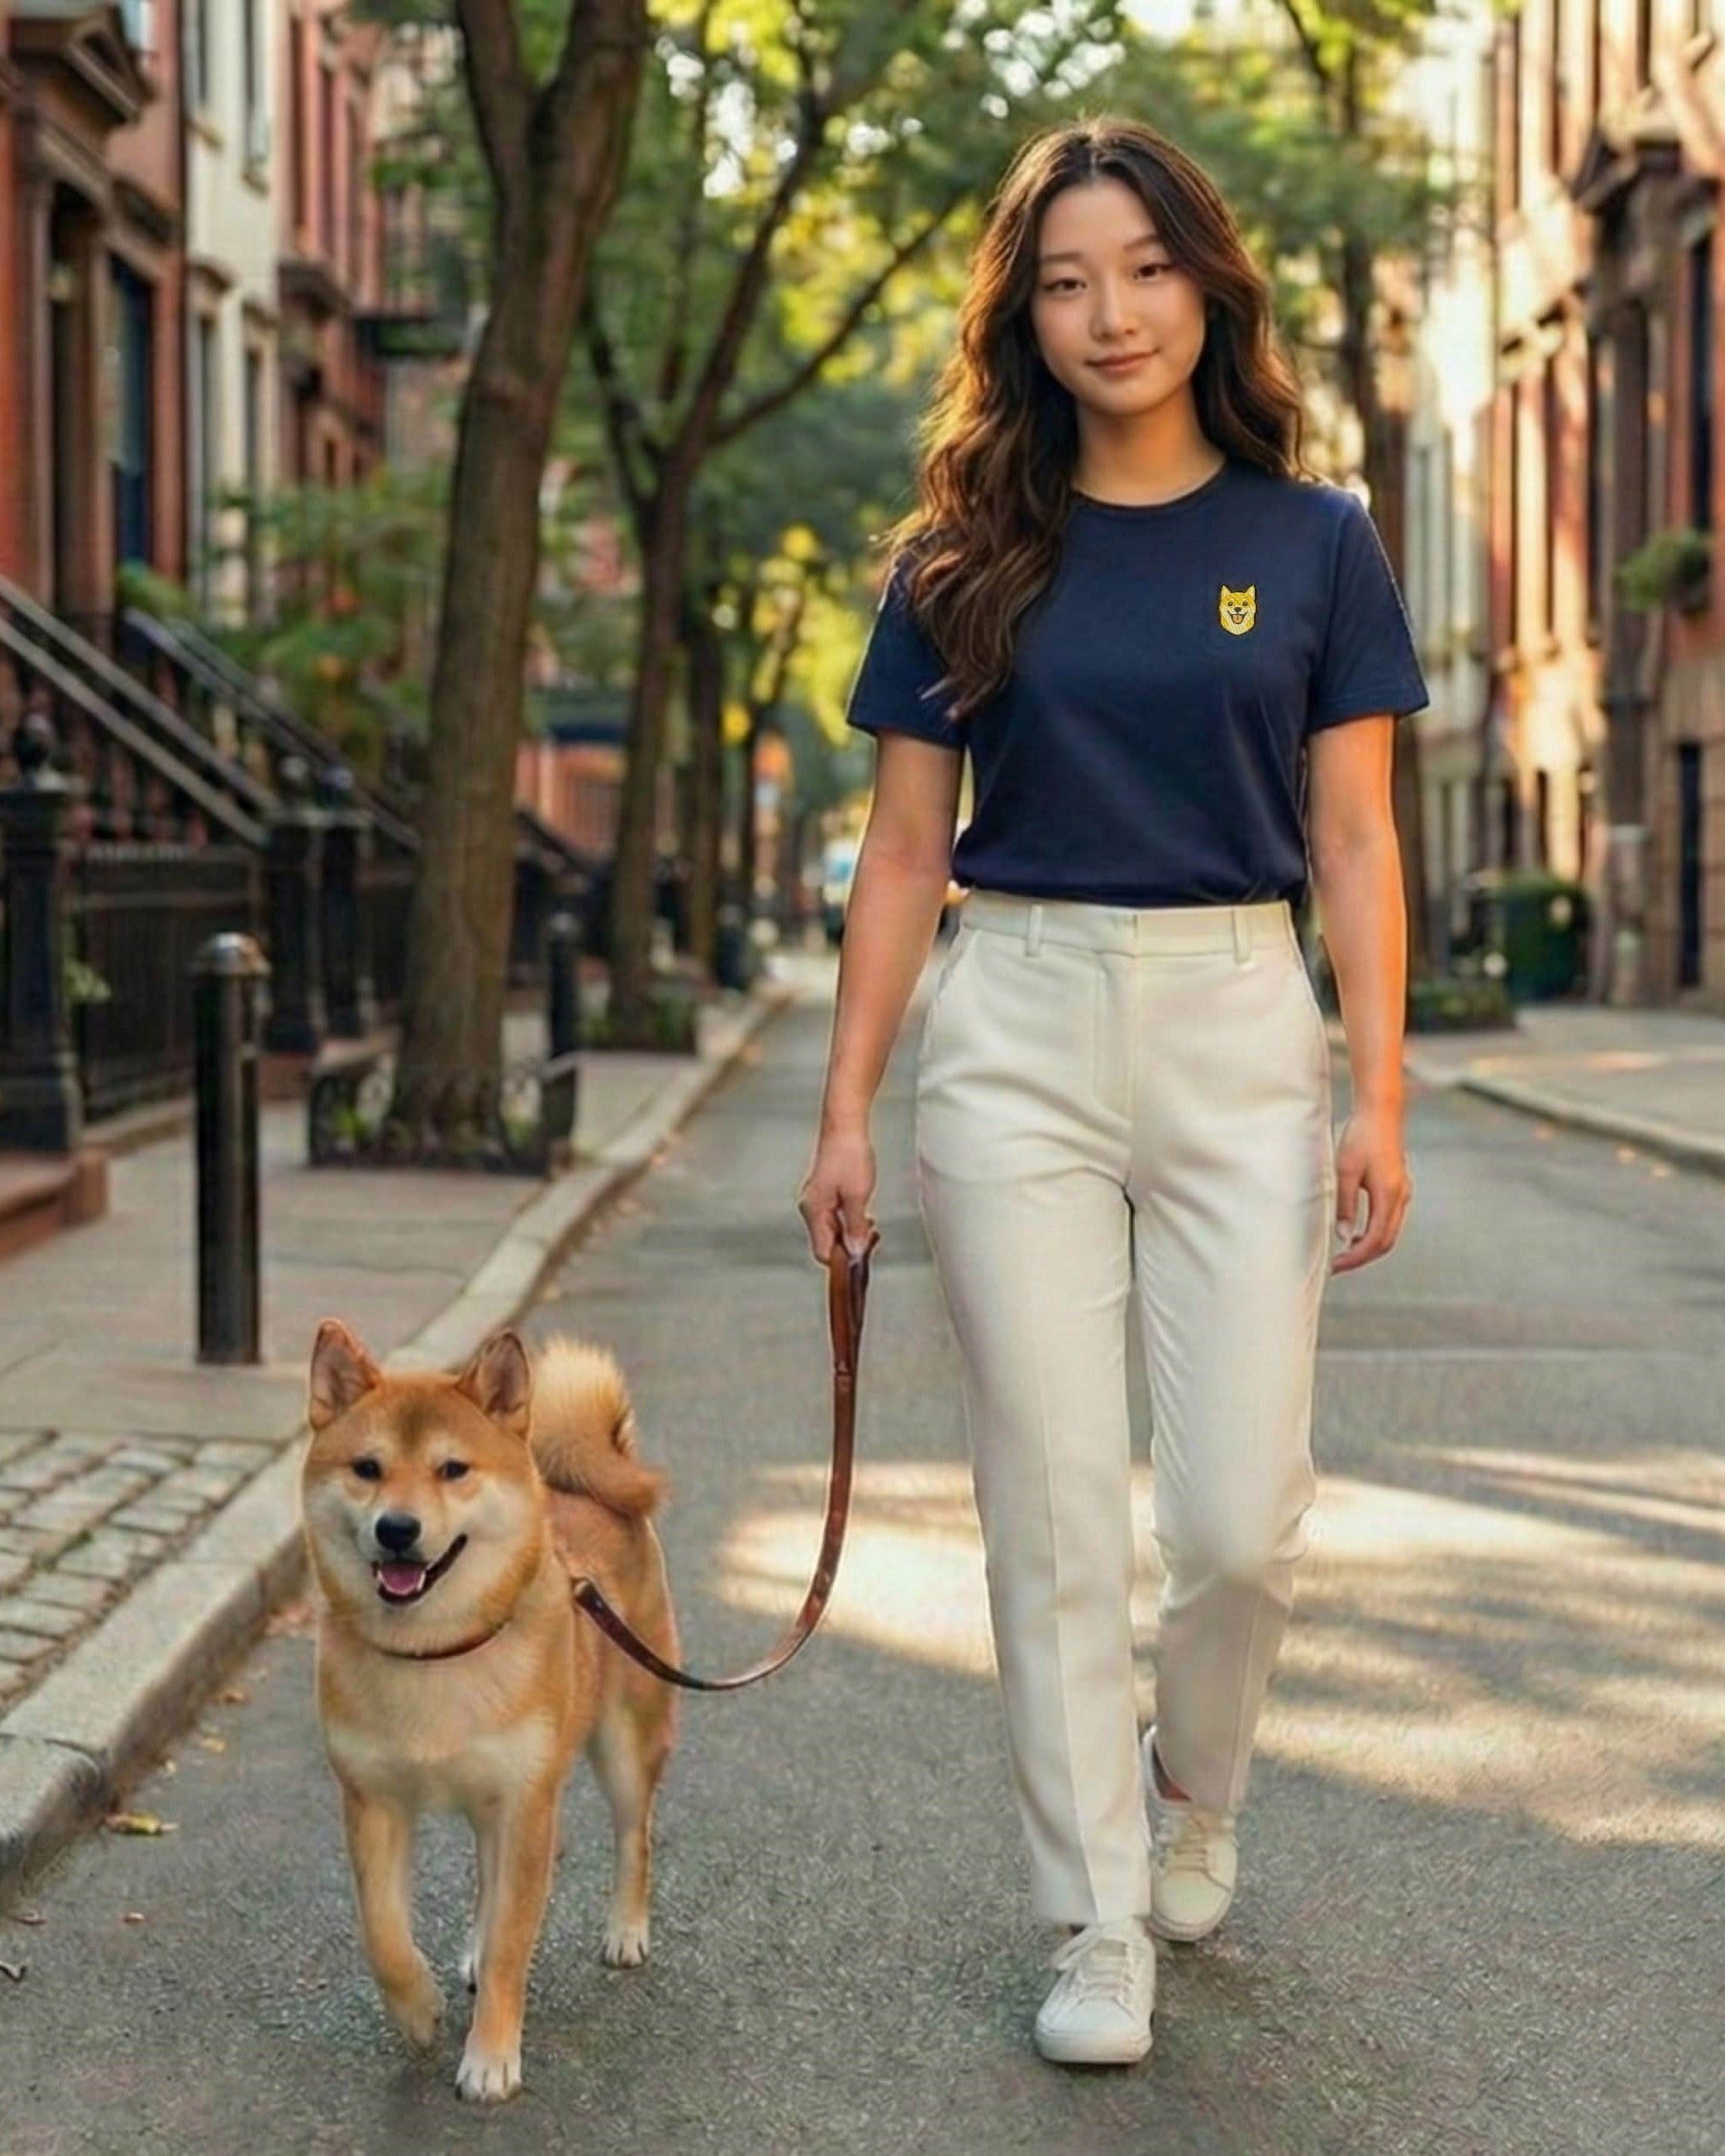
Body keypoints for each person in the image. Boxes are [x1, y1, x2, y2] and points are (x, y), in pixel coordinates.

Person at [797, 116, 1425, 2070]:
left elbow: (1355, 836)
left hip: (1241, 1013)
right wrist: (845, 1105)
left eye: (1142, 268)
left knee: (1237, 1517)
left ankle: (1193, 1786)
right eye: (1064, 281)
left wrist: (1378, 1093)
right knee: (1052, 1503)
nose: (1108, 313)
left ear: (1204, 280)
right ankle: (1090, 1914)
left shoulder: (1314, 536)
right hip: (1018, 1028)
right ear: (1022, 315)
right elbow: (905, 853)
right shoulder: (959, 558)